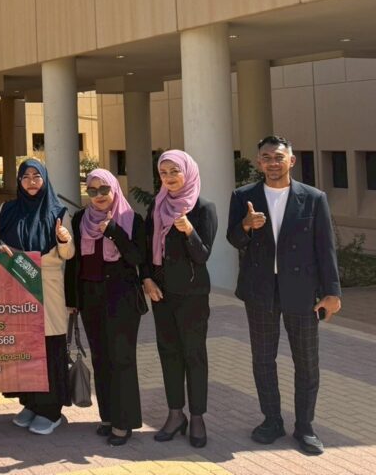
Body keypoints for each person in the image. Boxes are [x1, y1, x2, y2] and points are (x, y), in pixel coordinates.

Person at [227, 135, 342, 456]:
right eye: (266, 157)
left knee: (307, 362)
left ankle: (305, 427)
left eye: (278, 157)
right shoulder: (243, 196)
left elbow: (326, 248)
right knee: (263, 359)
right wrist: (246, 225)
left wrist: (332, 292)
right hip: (260, 291)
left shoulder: (313, 198)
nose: (273, 163)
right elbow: (233, 240)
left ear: (291, 160)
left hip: (302, 291)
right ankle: (271, 421)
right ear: (259, 162)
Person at [0, 159, 74, 436]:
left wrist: (63, 238)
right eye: (25, 177)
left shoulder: (58, 212)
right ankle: (31, 403)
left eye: (37, 176)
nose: (31, 182)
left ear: (45, 179)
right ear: (19, 181)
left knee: (48, 347)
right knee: (25, 347)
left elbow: (68, 254)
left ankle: (51, 411)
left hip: (47, 288)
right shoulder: (7, 210)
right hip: (17, 286)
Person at [65, 168, 145, 445]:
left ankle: (124, 423)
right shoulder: (80, 219)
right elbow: (74, 262)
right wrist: (72, 300)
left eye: (104, 189)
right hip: (91, 298)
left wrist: (114, 232)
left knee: (121, 359)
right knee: (100, 358)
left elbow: (137, 257)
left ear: (114, 189)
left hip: (122, 298)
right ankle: (108, 417)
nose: (99, 195)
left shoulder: (131, 219)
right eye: (93, 190)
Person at [142, 150, 216, 449]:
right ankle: (175, 414)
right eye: (164, 172)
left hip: (192, 295)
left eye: (175, 171)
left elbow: (203, 255)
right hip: (162, 293)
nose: (169, 177)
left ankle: (197, 417)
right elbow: (146, 247)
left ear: (188, 172)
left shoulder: (203, 208)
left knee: (194, 355)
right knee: (169, 353)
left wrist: (190, 232)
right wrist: (146, 279)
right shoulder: (157, 206)